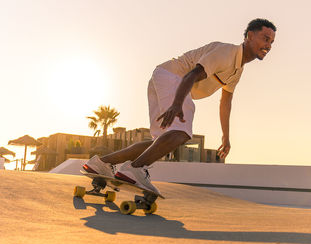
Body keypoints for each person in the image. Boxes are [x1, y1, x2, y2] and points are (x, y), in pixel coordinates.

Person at [83, 18, 276, 194]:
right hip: (172, 77)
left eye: (271, 42)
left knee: (159, 142)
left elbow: (226, 102)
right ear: (249, 36)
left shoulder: (238, 69)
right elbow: (191, 75)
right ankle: (134, 170)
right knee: (182, 132)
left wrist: (226, 137)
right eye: (265, 39)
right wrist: (177, 104)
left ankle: (101, 164)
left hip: (163, 77)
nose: (268, 45)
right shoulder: (227, 53)